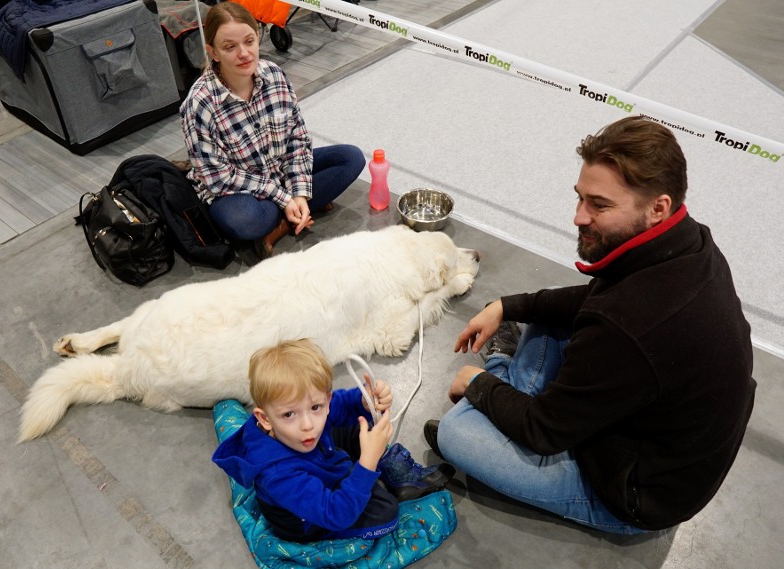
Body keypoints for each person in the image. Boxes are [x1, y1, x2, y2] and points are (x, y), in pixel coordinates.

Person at [424, 116, 756, 535]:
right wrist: (508, 307)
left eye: (599, 205)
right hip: (654, 423)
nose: (579, 216)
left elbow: (543, 430)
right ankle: (509, 389)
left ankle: (498, 374)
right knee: (543, 318)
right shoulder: (688, 242)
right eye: (580, 198)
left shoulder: (632, 324)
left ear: (658, 208)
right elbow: (598, 299)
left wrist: (477, 384)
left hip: (636, 493)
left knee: (457, 435)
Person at [213, 339, 455, 543]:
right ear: (265, 420)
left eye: (316, 407)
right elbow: (334, 514)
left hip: (317, 459)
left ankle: (383, 469)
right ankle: (374, 470)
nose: (308, 424)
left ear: (324, 400)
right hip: (308, 522)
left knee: (357, 421)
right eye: (289, 414)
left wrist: (363, 400)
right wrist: (367, 463)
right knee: (387, 513)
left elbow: (338, 404)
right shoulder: (277, 473)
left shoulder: (305, 423)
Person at [181, 2, 365, 259]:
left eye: (249, 41)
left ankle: (283, 222)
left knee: (351, 158)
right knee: (245, 221)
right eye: (230, 47)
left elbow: (297, 139)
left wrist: (299, 191)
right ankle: (297, 211)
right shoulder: (199, 103)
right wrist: (283, 198)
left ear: (258, 37)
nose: (244, 53)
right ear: (213, 52)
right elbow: (219, 179)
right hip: (238, 191)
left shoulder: (275, 75)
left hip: (278, 172)